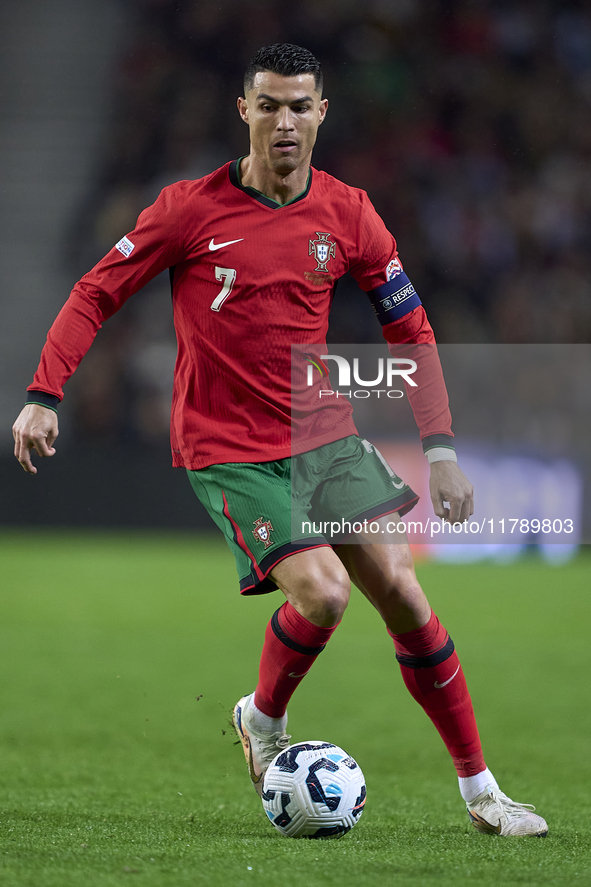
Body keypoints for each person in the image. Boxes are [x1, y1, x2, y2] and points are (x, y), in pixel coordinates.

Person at [13, 43, 546, 837]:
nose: (285, 121)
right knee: (325, 593)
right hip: (228, 446)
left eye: (300, 105)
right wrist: (43, 393)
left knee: (404, 596)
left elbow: (411, 327)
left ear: (321, 113)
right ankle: (263, 720)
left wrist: (439, 449)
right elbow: (96, 291)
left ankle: (481, 793)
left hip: (323, 438)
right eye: (269, 104)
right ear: (244, 111)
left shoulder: (348, 211)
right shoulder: (188, 209)